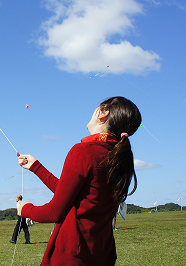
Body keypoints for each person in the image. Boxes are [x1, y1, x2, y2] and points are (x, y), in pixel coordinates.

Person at [16, 96, 141, 266]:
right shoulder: (118, 157)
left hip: (73, 258)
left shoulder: (83, 151)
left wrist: (26, 209)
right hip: (103, 256)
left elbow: (54, 212)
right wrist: (36, 167)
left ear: (103, 113)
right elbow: (71, 193)